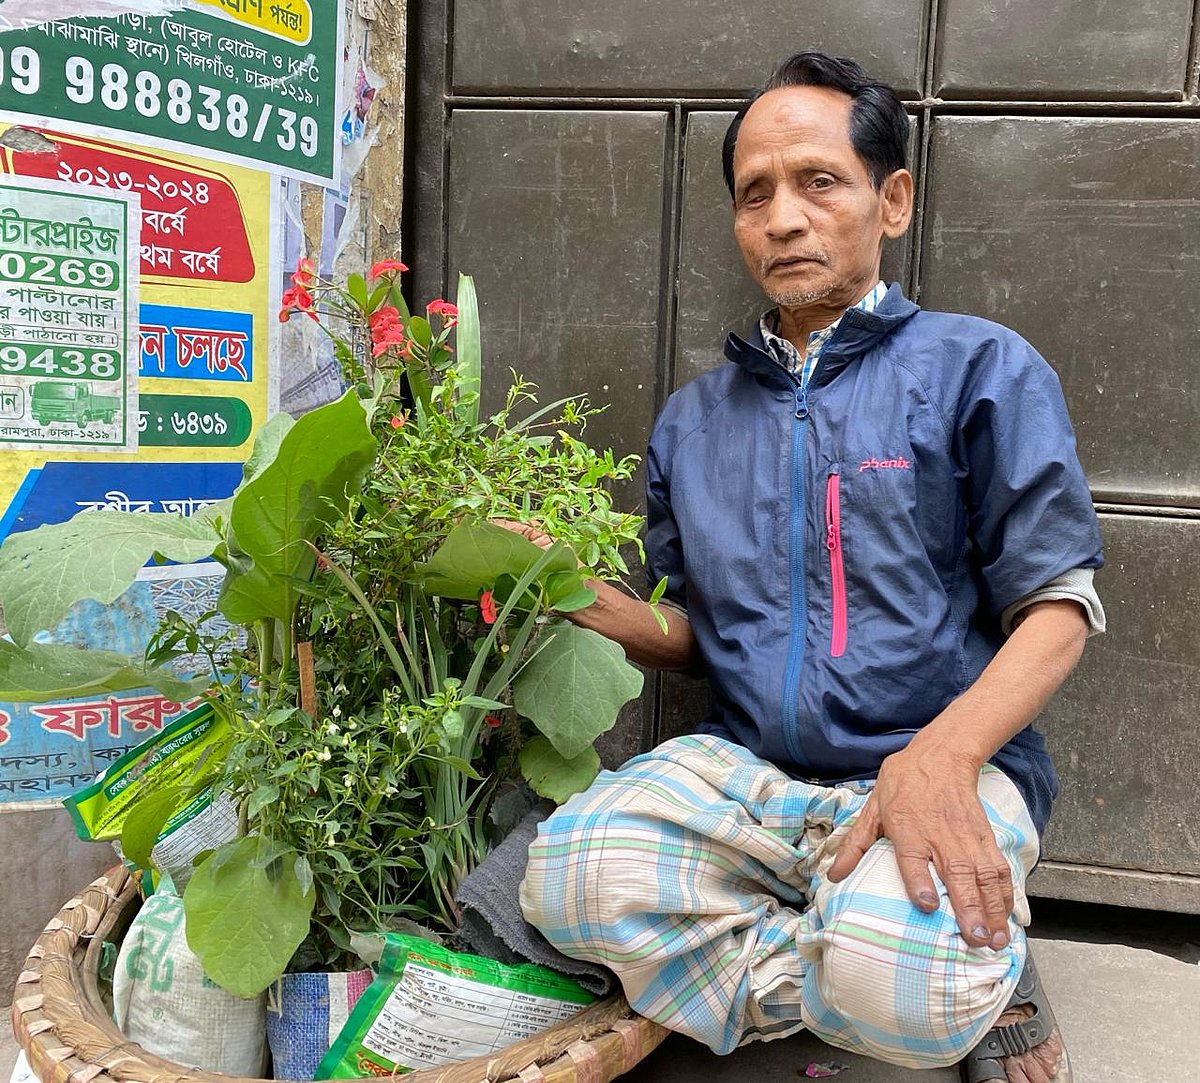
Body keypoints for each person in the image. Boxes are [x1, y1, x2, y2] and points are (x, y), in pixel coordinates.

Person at [511, 51, 1104, 1083]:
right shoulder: (694, 421)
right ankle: (886, 953)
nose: (783, 217)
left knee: (902, 975)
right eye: (755, 194)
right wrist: (582, 599)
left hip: (938, 764)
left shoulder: (980, 369)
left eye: (818, 181)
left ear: (893, 200)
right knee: (566, 878)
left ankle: (909, 956)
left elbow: (1058, 607)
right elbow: (699, 636)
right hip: (753, 774)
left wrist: (944, 759)